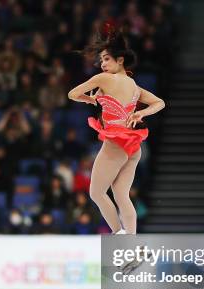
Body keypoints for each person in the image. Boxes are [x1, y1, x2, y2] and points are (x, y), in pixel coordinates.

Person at [68, 29, 165, 235]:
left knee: (96, 192)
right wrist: (142, 114)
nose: (102, 64)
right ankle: (132, 242)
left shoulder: (104, 79)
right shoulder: (134, 86)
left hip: (116, 143)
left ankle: (119, 235)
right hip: (134, 146)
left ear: (120, 60)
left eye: (106, 59)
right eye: (101, 60)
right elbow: (160, 102)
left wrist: (91, 99)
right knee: (121, 195)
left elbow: (73, 94)